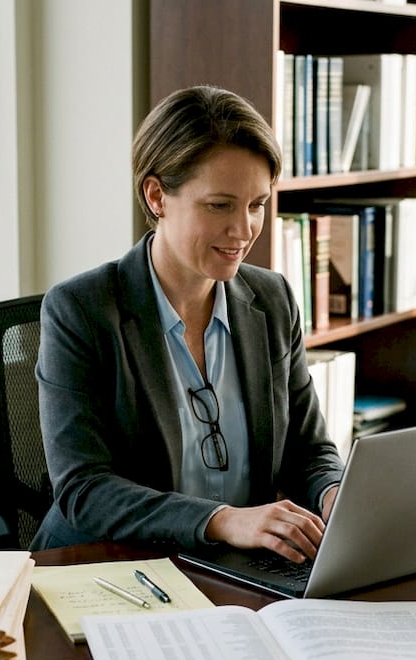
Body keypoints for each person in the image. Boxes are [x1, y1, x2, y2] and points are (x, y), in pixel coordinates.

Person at [32, 85, 342, 562]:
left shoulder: (273, 299)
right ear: (157, 196)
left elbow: (309, 450)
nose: (243, 230)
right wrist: (224, 520)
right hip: (113, 565)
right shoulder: (81, 311)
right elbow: (84, 489)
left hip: (237, 569)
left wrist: (333, 493)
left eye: (256, 204)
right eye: (219, 205)